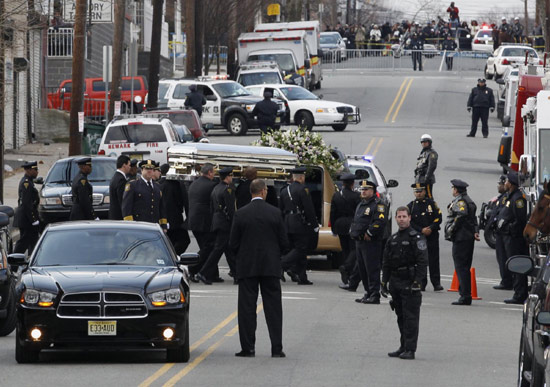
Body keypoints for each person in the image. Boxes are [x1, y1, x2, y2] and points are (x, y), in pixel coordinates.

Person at [229, 179, 290, 358]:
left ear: (251, 192)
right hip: (270, 266)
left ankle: (248, 348)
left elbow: (233, 243)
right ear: (263, 192)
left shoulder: (241, 214)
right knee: (273, 308)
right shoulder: (275, 213)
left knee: (247, 308)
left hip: (247, 267)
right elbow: (284, 242)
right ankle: (276, 348)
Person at [381, 206, 428, 360]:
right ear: (395, 218)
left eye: (404, 217)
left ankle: (410, 349)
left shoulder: (417, 238)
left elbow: (422, 262)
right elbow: (386, 262)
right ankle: (403, 346)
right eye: (399, 217)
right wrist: (384, 282)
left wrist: (417, 282)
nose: (401, 219)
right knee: (400, 316)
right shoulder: (392, 239)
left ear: (409, 218)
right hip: (396, 281)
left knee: (411, 318)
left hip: (410, 281)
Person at [196, 167, 236, 285]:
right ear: (228, 177)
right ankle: (203, 273)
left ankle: (236, 274)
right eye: (231, 176)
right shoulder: (228, 190)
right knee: (218, 250)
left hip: (217, 221)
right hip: (225, 223)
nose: (232, 178)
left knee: (227, 249)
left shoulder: (216, 188)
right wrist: (234, 223)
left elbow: (212, 207)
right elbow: (231, 209)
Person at [279, 167, 318, 285]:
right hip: (299, 223)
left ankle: (302, 277)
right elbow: (309, 208)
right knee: (301, 249)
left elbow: (281, 209)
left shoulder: (284, 190)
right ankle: (281, 265)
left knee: (297, 249)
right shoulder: (303, 189)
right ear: (301, 177)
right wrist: (314, 224)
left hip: (287, 222)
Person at [349, 180, 386, 304]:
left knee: (372, 269)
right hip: (359, 242)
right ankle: (368, 292)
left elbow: (379, 222)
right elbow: (357, 221)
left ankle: (375, 294)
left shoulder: (378, 204)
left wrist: (369, 233)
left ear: (372, 191)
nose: (363, 191)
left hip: (371, 242)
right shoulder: (361, 204)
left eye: (366, 189)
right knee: (362, 269)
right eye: (362, 189)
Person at [444, 179, 479, 305]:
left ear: (456, 190)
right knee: (464, 266)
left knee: (461, 267)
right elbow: (474, 218)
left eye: (453, 188)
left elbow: (461, 215)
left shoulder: (461, 202)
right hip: (467, 237)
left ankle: (465, 295)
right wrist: (475, 230)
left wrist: (451, 229)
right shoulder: (469, 200)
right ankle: (465, 293)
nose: (452, 190)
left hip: (461, 237)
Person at [495, 172, 529, 304]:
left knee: (517, 265)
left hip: (514, 238)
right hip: (507, 236)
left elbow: (520, 220)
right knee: (511, 264)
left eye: (508, 181)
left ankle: (520, 294)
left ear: (512, 184)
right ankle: (517, 291)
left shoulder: (518, 199)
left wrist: (508, 228)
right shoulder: (510, 196)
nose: (505, 183)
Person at [407, 183, 443, 291]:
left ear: (424, 192)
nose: (418, 193)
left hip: (432, 235)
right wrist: (421, 230)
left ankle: (436, 283)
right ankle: (421, 282)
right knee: (420, 260)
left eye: (420, 191)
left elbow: (438, 218)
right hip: (419, 236)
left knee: (434, 259)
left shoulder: (431, 204)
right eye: (416, 191)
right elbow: (410, 222)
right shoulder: (411, 206)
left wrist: (431, 228)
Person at [188, 163, 218, 280]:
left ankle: (212, 273)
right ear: (209, 172)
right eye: (213, 172)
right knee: (208, 247)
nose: (214, 174)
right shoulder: (212, 185)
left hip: (194, 221)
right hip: (204, 222)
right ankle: (192, 268)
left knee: (206, 247)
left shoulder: (194, 183)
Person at [330, 173, 361, 287]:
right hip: (352, 224)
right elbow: (358, 213)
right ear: (352, 184)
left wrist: (333, 227)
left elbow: (332, 213)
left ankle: (348, 273)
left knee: (345, 250)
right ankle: (346, 267)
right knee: (354, 249)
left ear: (343, 183)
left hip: (340, 224)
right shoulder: (356, 196)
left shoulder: (336, 195)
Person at [121, 159, 168, 230]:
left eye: (151, 169)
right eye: (146, 168)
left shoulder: (157, 186)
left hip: (155, 226)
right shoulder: (133, 185)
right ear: (142, 170)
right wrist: (130, 226)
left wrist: (163, 225)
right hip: (139, 226)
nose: (149, 171)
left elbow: (161, 208)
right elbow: (126, 208)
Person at [158, 163, 191, 255]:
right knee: (184, 240)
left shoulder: (158, 184)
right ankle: (173, 257)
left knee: (169, 242)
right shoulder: (176, 184)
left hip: (162, 219)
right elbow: (184, 200)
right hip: (176, 219)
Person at [491, 175, 513, 290]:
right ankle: (505, 280)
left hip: (505, 232)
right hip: (500, 232)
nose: (499, 186)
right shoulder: (503, 197)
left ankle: (507, 281)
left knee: (505, 257)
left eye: (501, 183)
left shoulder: (508, 198)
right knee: (501, 256)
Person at [13, 161, 40, 255]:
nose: (37, 172)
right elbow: (27, 203)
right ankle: (13, 266)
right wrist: (33, 219)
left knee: (33, 242)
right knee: (23, 243)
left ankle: (31, 262)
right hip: (26, 218)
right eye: (35, 170)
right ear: (28, 170)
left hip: (27, 217)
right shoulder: (26, 183)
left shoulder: (29, 182)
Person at [414, 134, 438, 199]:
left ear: (429, 142)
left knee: (428, 196)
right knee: (420, 197)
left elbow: (432, 166)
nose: (423, 144)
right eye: (422, 142)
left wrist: (426, 178)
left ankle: (433, 209)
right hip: (419, 178)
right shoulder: (423, 152)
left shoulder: (432, 153)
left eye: (425, 142)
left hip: (426, 179)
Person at [108, 155, 130, 220]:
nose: (130, 167)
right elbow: (122, 200)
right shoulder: (121, 180)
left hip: (113, 215)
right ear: (124, 165)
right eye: (129, 165)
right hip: (119, 216)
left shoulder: (115, 177)